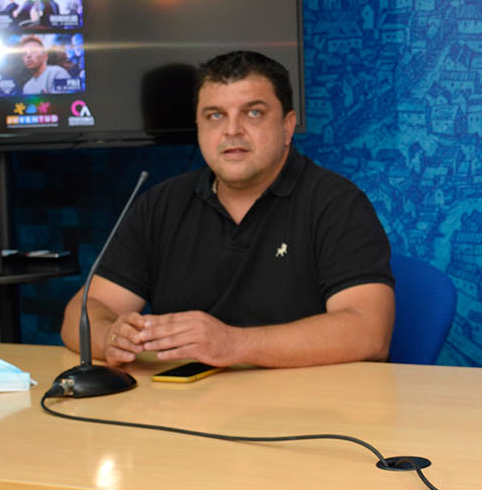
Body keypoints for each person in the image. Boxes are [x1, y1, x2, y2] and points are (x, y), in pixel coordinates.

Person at [61, 50, 395, 369]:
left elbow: (368, 332)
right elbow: (83, 312)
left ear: (288, 126)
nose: (231, 130)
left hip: (310, 411)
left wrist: (234, 344)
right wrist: (110, 337)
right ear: (199, 126)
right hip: (191, 410)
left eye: (253, 113)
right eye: (215, 115)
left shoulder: (336, 203)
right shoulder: (160, 204)